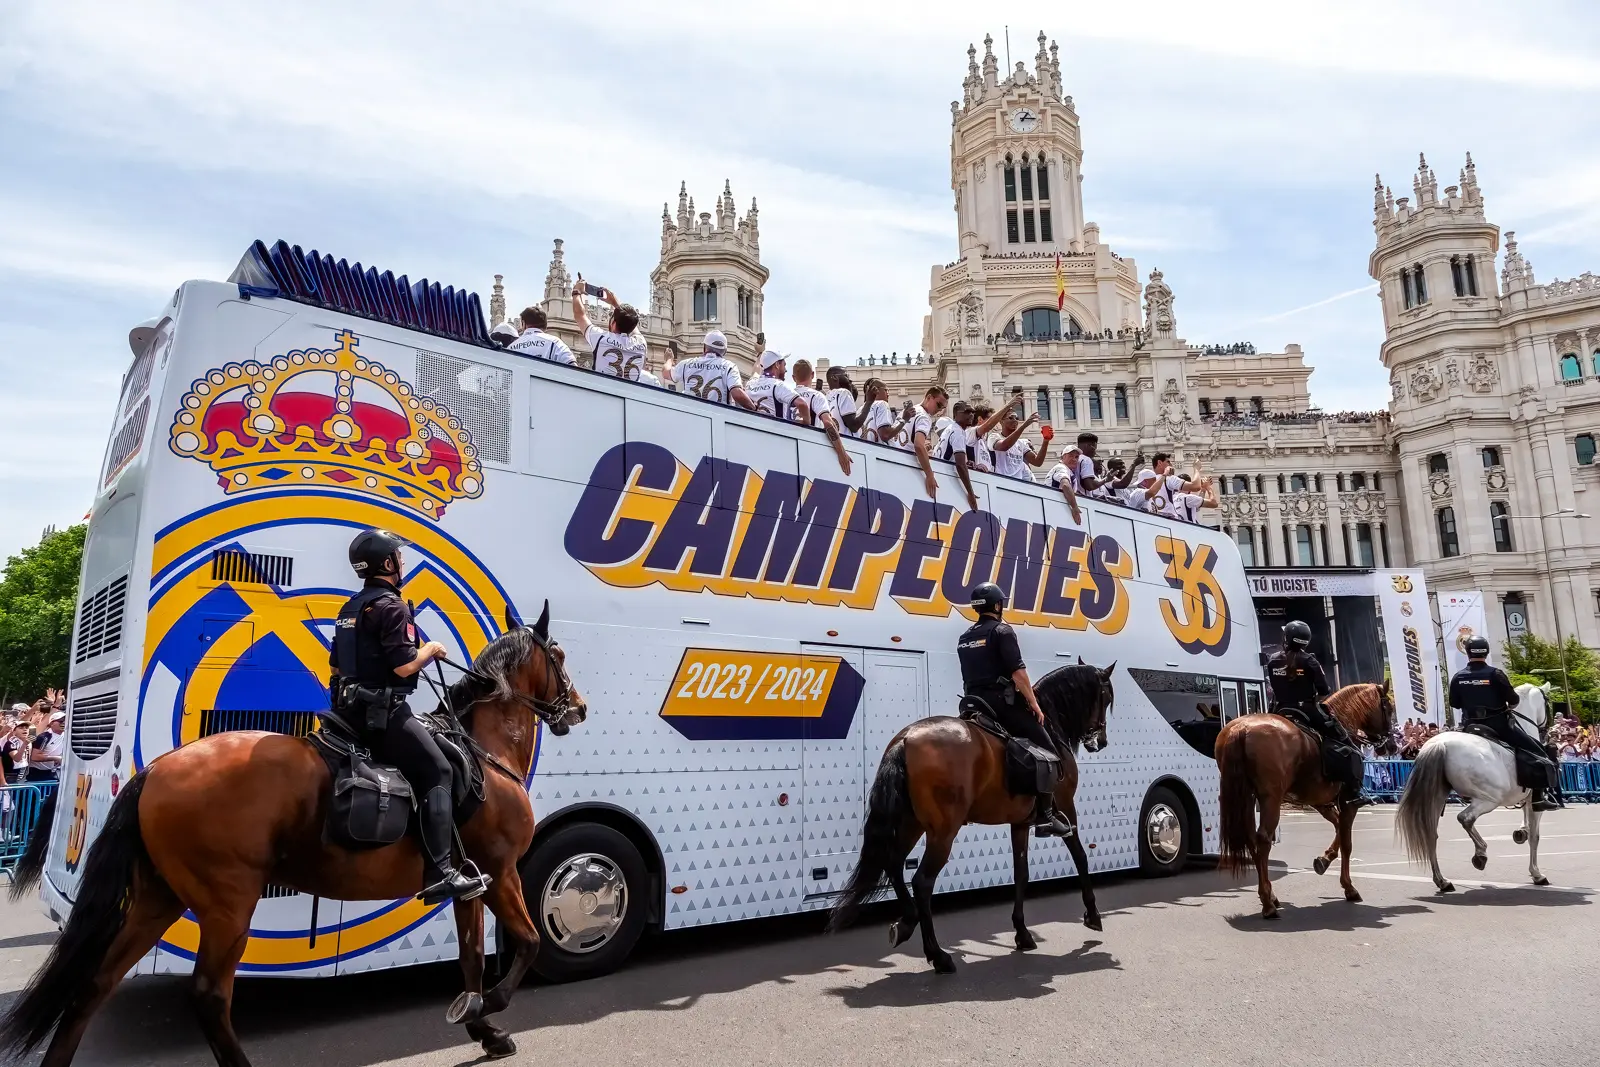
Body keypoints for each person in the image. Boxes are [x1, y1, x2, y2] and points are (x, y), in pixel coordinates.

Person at [329, 528, 491, 903]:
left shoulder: (350, 608)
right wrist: (430, 649)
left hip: (344, 712)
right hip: (382, 715)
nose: (403, 562)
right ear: (387, 564)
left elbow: (335, 667)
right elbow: (404, 667)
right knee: (440, 769)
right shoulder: (391, 606)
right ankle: (442, 872)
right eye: (399, 557)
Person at [956, 582, 1074, 838]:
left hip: (973, 704)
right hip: (1000, 704)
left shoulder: (964, 638)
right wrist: (1033, 703)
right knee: (1050, 754)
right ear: (998, 605)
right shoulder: (1002, 631)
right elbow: (1018, 674)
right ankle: (1046, 816)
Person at [1265, 620, 1374, 809]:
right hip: (1306, 710)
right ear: (1305, 641)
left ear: (1287, 638)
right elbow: (1324, 689)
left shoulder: (1273, 659)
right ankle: (1356, 790)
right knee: (1346, 742)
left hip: (1280, 710)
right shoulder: (1309, 660)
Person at [1449, 636, 1559, 811]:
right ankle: (1538, 797)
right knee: (1538, 752)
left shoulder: (1458, 677)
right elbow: (1514, 700)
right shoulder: (1495, 674)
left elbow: (1454, 703)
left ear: (1467, 652)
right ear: (1486, 652)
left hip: (1469, 726)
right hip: (1498, 725)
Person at [571, 283, 648, 381]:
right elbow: (632, 324)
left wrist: (576, 291)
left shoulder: (601, 339)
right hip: (629, 395)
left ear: (614, 324)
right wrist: (615, 303)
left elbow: (579, 315)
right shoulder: (641, 344)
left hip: (604, 393)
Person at [662, 330, 755, 409]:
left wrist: (669, 359)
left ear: (704, 348)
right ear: (724, 351)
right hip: (717, 419)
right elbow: (737, 393)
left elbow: (666, 373)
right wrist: (754, 408)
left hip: (691, 415)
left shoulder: (687, 364)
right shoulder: (729, 366)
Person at [792, 359, 853, 476]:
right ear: (812, 375)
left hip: (790, 450)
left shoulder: (785, 394)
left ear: (794, 378)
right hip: (811, 449)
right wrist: (841, 453)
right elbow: (828, 423)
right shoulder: (817, 396)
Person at [933, 400, 982, 512]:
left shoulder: (950, 429)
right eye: (967, 411)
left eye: (972, 412)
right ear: (955, 415)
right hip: (945, 479)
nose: (971, 415)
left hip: (940, 475)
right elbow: (960, 465)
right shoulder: (958, 432)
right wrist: (970, 493)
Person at [908, 386, 953, 503]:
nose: (940, 410)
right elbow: (918, 445)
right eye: (938, 405)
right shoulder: (924, 417)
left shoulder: (910, 410)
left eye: (943, 408)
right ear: (929, 397)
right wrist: (929, 475)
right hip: (907, 464)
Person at [986, 397, 1048, 480]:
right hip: (1000, 482)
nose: (1015, 420)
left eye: (1017, 418)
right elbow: (1004, 446)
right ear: (1001, 421)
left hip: (1018, 485)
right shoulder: (994, 437)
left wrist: (1046, 440)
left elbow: (1037, 462)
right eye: (1011, 418)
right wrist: (1024, 426)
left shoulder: (1021, 443)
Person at [506, 306, 577, 366]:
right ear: (545, 325)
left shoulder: (511, 348)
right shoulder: (555, 343)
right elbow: (573, 367)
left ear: (523, 323)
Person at [744, 348, 798, 419]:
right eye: (784, 365)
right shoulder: (778, 385)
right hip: (775, 429)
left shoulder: (750, 384)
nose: (786, 370)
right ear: (777, 365)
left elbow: (756, 370)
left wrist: (760, 354)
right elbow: (801, 403)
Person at [1045, 448, 1084, 525]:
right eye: (1071, 456)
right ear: (1062, 457)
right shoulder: (1061, 467)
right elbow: (1065, 485)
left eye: (1076, 457)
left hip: (1057, 509)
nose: (1074, 459)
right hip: (1054, 508)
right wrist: (1075, 508)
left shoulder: (1069, 471)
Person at [825, 366, 867, 437]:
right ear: (835, 377)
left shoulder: (825, 397)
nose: (849, 380)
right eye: (846, 376)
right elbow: (854, 426)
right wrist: (869, 402)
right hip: (847, 445)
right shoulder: (844, 393)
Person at [26, 712, 65, 782]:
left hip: (52, 772)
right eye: (61, 721)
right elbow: (35, 756)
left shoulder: (67, 736)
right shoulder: (44, 737)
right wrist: (55, 758)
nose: (64, 723)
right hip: (36, 773)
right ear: (51, 723)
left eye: (66, 721)